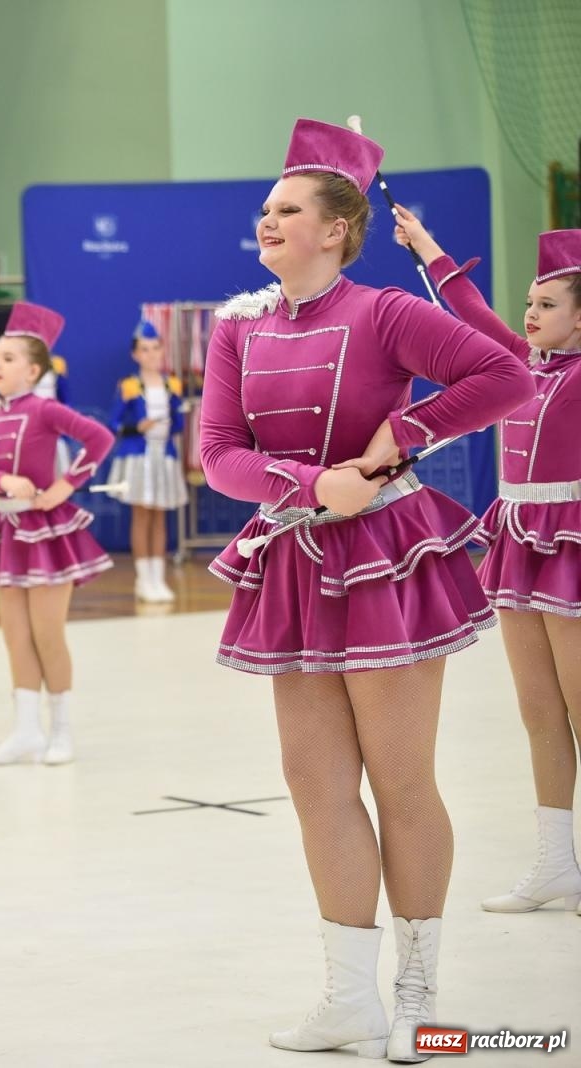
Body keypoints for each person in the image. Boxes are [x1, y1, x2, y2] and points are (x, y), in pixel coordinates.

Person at [199, 118, 532, 1062]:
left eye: (287, 208)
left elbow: (502, 373)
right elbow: (218, 457)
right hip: (295, 556)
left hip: (385, 555)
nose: (267, 220)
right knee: (315, 785)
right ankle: (351, 998)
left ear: (338, 228)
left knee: (401, 778)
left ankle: (422, 998)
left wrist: (407, 437)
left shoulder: (383, 311)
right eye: (264, 208)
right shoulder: (239, 329)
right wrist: (310, 487)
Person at [393, 214, 581, 917]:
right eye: (529, 302)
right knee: (538, 712)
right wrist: (427, 246)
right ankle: (556, 863)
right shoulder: (518, 365)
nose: (529, 314)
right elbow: (466, 308)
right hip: (518, 536)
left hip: (572, 542)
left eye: (547, 305)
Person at [0, 301, 114, 767]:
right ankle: (26, 732)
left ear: (33, 371)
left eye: (9, 358)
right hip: (8, 530)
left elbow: (100, 439)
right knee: (15, 635)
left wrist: (63, 485)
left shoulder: (45, 409)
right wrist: (1, 483)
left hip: (48, 531)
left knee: (47, 634)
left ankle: (62, 730)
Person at [106, 319, 187, 602]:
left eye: (156, 349)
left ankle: (158, 577)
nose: (151, 355)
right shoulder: (129, 386)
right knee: (141, 515)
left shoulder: (172, 384)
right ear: (135, 355)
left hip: (163, 456)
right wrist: (136, 428)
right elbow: (113, 423)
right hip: (139, 457)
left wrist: (177, 421)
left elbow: (178, 423)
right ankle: (143, 579)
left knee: (160, 515)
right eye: (145, 350)